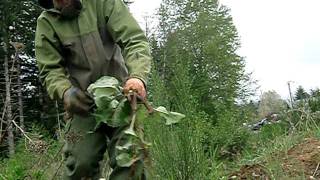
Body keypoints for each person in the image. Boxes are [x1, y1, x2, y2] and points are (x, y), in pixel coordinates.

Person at [35, 0, 152, 179]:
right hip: (82, 104)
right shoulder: (46, 22)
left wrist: (137, 76)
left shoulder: (103, 3)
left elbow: (134, 40)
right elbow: (50, 70)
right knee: (81, 165)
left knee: (131, 161)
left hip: (121, 97)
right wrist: (65, 92)